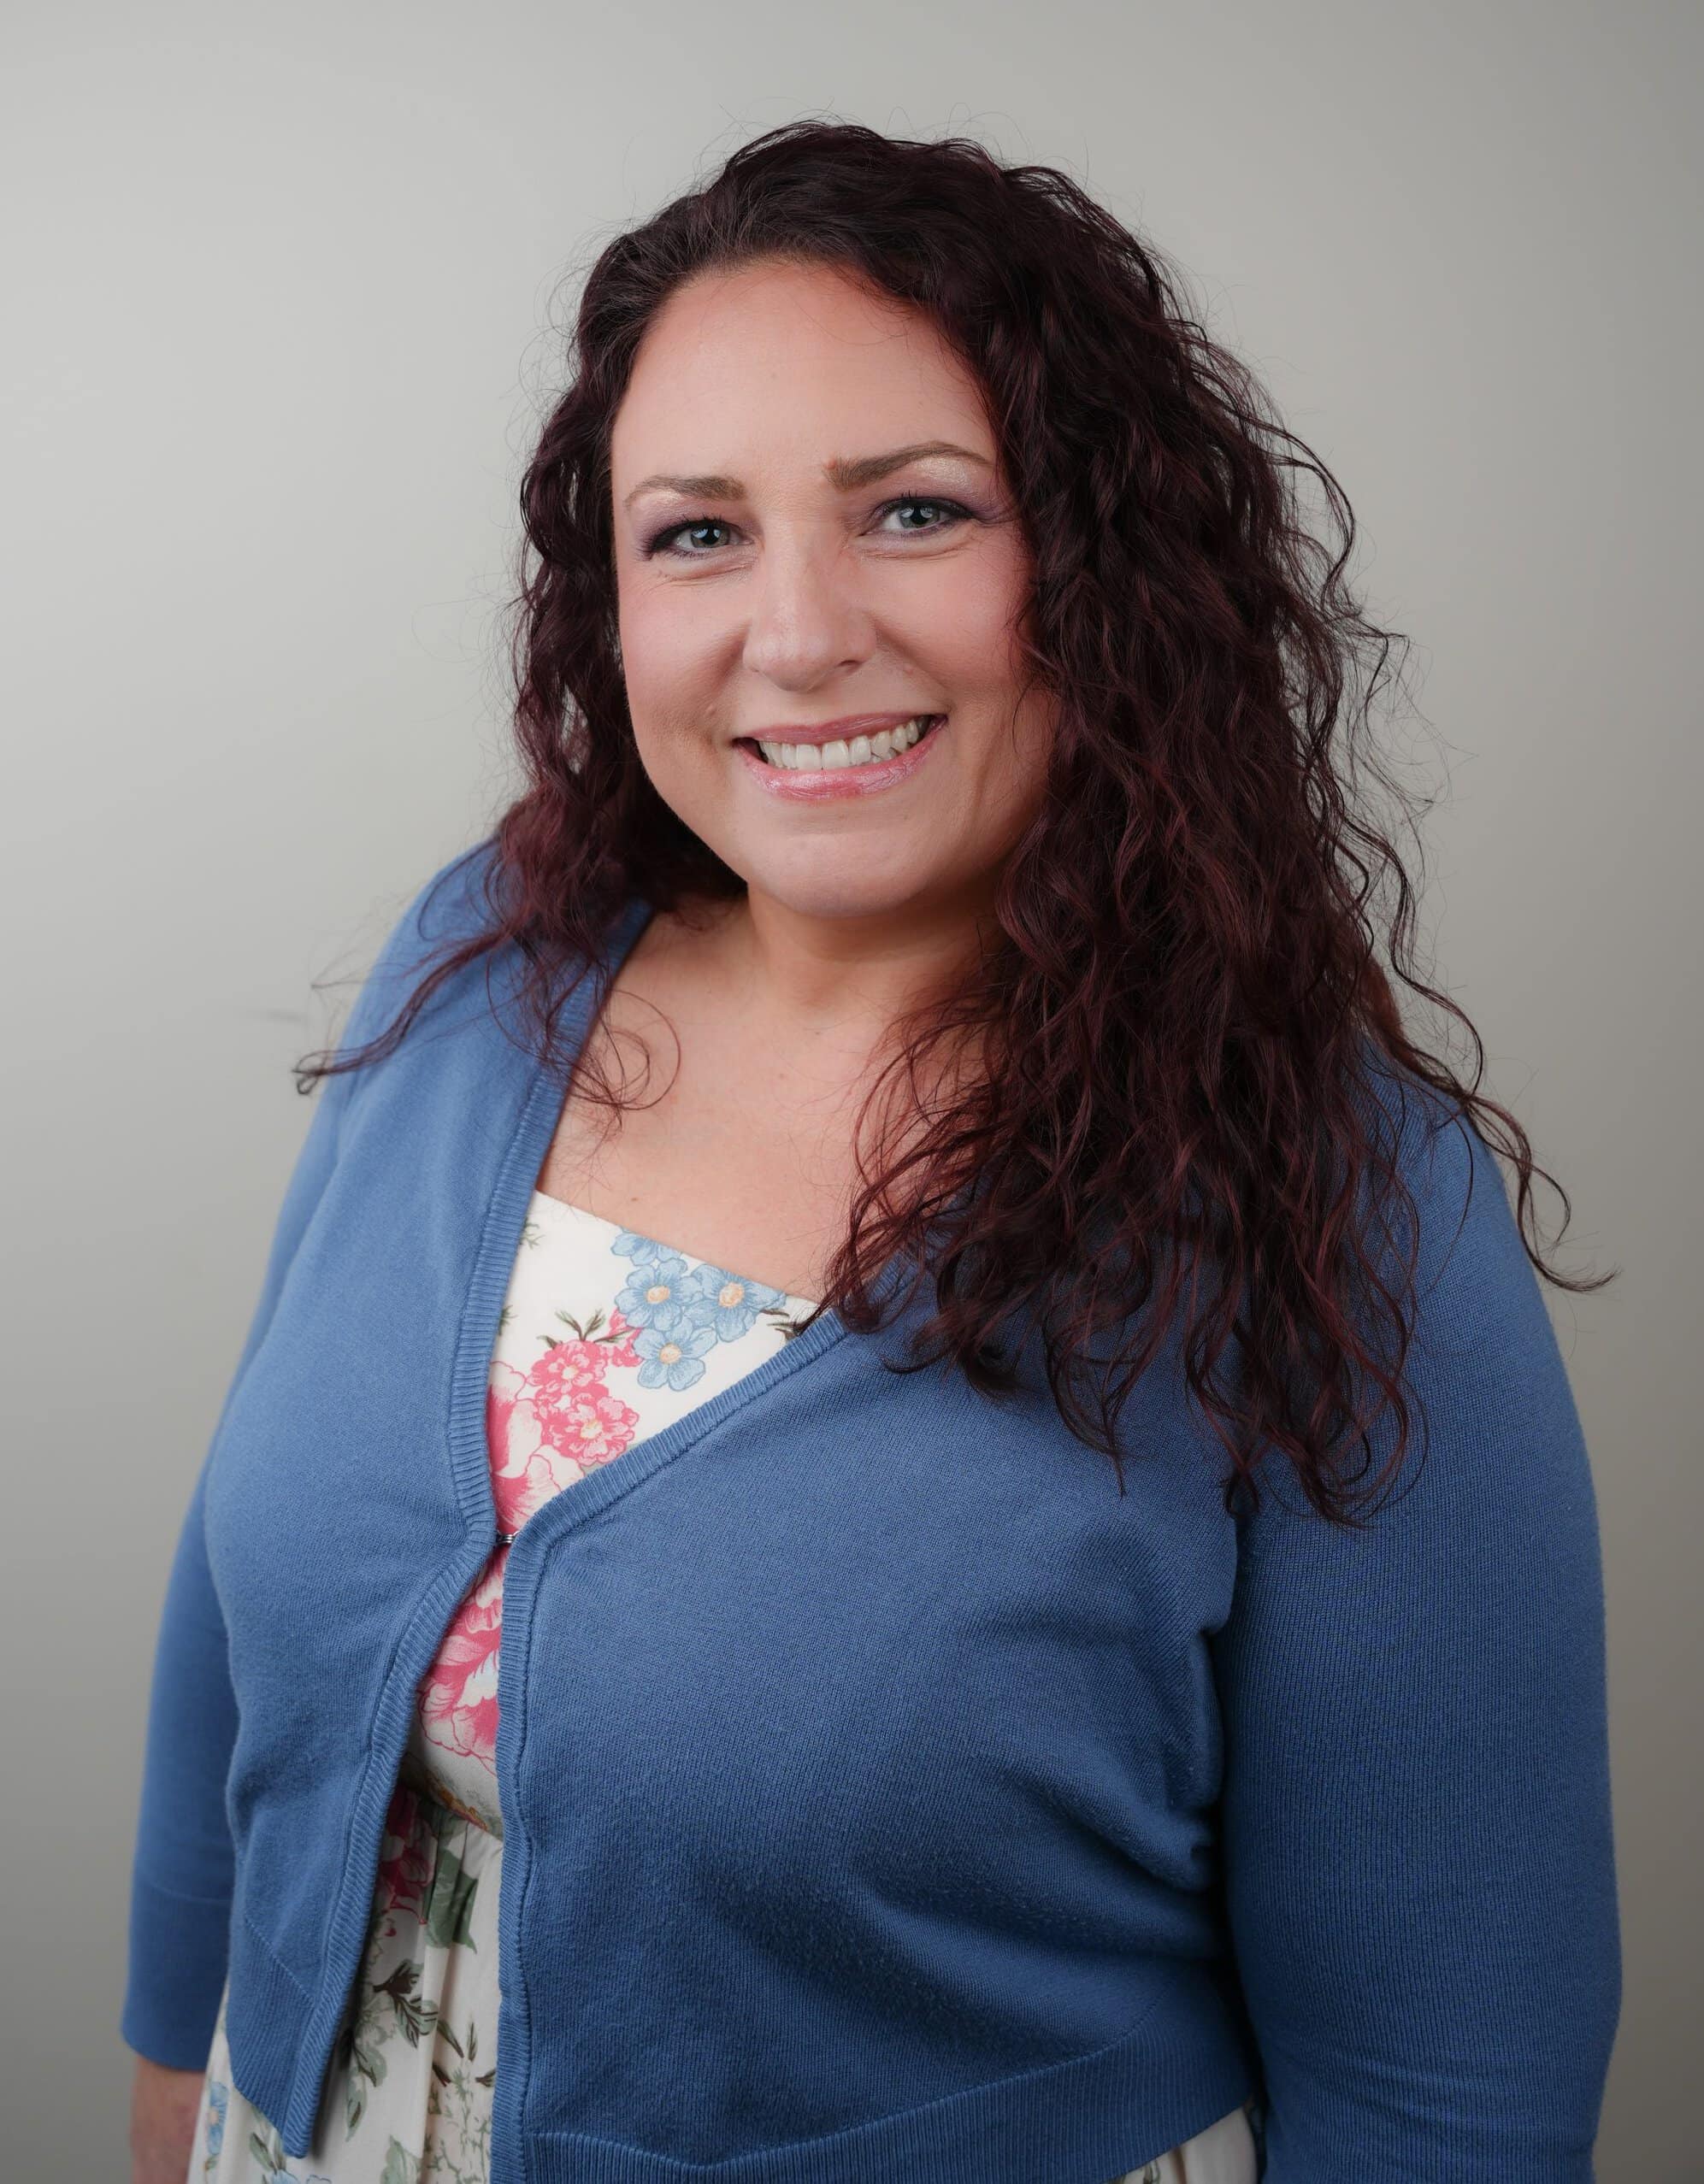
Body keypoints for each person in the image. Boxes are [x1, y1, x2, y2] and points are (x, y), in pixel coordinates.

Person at [122, 121, 1620, 2184]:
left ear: (1099, 563)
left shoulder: (1337, 1198)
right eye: (696, 535)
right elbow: (234, 1658)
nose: (800, 632)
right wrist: (175, 2099)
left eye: (914, 512)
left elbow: (1450, 2086)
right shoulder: (486, 970)